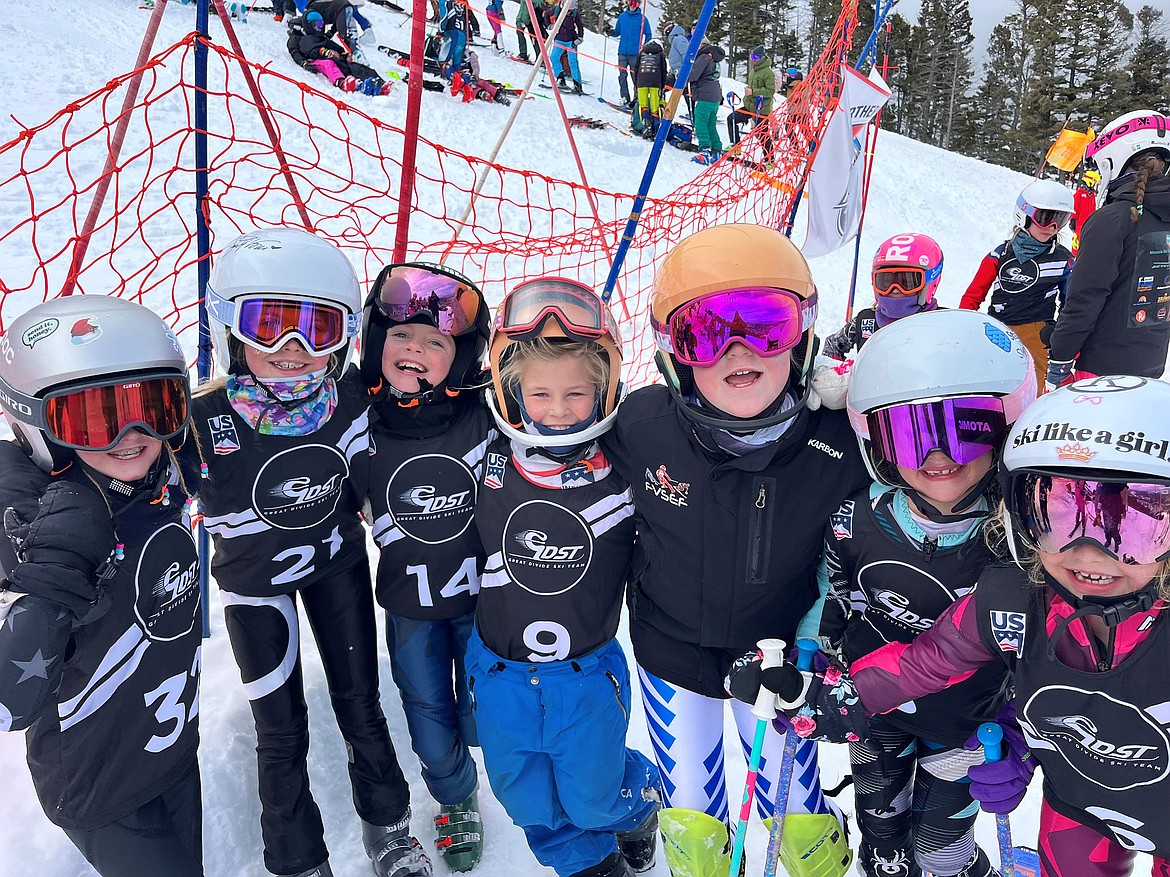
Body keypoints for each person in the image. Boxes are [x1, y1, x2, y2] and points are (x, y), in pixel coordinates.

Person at [731, 374, 1170, 875]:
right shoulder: (1011, 599)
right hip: (1079, 810)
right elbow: (921, 665)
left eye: (1139, 523)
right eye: (1056, 512)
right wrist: (810, 697)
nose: (1088, 553)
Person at [602, 225, 870, 877]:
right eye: (705, 333)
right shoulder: (642, 426)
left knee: (798, 821)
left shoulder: (841, 442)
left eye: (767, 326)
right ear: (674, 353)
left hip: (781, 660)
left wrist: (817, 649)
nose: (738, 349)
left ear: (803, 336)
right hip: (674, 651)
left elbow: (872, 543)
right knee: (693, 820)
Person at [197, 229, 428, 877]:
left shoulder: (350, 398)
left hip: (336, 566)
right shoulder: (203, 420)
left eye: (316, 329)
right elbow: (128, 478)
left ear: (344, 336)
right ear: (230, 327)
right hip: (254, 588)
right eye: (268, 326)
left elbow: (426, 424)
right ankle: (297, 859)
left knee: (361, 702)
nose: (292, 348)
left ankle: (388, 825)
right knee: (280, 729)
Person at [792, 310, 1036, 877]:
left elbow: (1036, 647)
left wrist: (1018, 728)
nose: (937, 458)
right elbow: (833, 598)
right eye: (909, 435)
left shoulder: (1021, 541)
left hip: (967, 725)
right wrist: (808, 665)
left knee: (941, 851)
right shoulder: (857, 520)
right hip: (874, 710)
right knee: (883, 837)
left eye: (966, 430)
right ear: (878, 443)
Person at [0, 296, 204, 877]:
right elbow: (10, 696)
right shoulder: (27, 526)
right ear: (34, 421)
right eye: (93, 418)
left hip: (169, 741)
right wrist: (44, 576)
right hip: (100, 782)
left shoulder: (159, 472)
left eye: (154, 407)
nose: (132, 435)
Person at [469, 278, 661, 877]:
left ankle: (636, 804)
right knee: (523, 796)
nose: (557, 409)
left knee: (593, 794)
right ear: (510, 391)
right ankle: (584, 862)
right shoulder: (487, 452)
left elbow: (694, 438)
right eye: (540, 393)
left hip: (585, 676)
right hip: (499, 674)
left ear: (604, 390)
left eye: (576, 393)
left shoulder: (625, 462)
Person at [359, 263, 494, 873]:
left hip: (484, 603)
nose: (414, 349)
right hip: (410, 607)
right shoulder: (357, 420)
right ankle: (454, 793)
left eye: (435, 341)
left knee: (482, 715)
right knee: (429, 721)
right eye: (400, 335)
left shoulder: (485, 413)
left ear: (461, 358)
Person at [1046, 111, 1170, 392]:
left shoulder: (1112, 218)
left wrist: (1060, 356)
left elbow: (1085, 298)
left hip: (1100, 372)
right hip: (1151, 365)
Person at [959, 178, 1073, 389]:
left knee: (1034, 385)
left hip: (1037, 333)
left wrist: (1061, 334)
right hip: (998, 329)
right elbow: (974, 294)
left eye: (1061, 219)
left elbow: (1071, 303)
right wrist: (963, 324)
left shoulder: (1063, 260)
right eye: (1046, 218)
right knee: (994, 381)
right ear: (1024, 214)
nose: (1052, 227)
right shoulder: (1000, 254)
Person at [821, 232, 944, 360]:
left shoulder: (945, 323)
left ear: (930, 282)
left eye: (907, 282)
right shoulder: (865, 320)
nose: (895, 289)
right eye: (886, 281)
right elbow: (832, 345)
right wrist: (832, 370)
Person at [287, 11, 392, 94]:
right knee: (329, 64)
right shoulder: (299, 39)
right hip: (315, 60)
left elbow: (336, 48)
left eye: (321, 24)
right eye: (316, 25)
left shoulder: (321, 38)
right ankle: (342, 82)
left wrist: (345, 55)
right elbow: (297, 51)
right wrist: (304, 63)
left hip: (332, 57)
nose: (319, 28)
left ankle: (377, 83)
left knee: (354, 66)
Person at [727, 44, 774, 152]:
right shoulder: (754, 70)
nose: (753, 60)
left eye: (756, 57)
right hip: (750, 106)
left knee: (761, 134)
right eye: (752, 57)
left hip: (761, 108)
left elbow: (770, 92)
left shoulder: (768, 73)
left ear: (762, 58)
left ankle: (769, 158)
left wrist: (753, 92)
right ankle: (736, 146)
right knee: (731, 119)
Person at [687, 38, 726, 163]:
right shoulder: (713, 58)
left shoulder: (704, 57)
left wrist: (681, 76)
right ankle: (716, 149)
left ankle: (704, 150)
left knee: (701, 123)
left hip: (704, 94)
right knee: (710, 124)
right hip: (714, 95)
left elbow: (694, 74)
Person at [612, 0, 651, 108]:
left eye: (635, 4)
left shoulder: (642, 19)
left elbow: (648, 34)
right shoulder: (622, 17)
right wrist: (610, 32)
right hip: (622, 52)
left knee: (636, 77)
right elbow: (617, 32)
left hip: (635, 54)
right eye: (631, 3)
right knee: (622, 76)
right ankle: (625, 97)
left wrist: (644, 47)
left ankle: (638, 99)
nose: (632, 6)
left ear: (638, 5)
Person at [545, 0, 585, 94]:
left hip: (572, 41)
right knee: (554, 58)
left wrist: (580, 38)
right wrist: (549, 26)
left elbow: (580, 26)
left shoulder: (575, 13)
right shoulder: (557, 10)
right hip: (559, 39)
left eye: (570, 10)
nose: (568, 12)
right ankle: (560, 78)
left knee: (573, 62)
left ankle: (577, 84)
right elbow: (546, 14)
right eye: (567, 10)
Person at [633, 38, 666, 140]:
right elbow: (663, 70)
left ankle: (645, 125)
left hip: (641, 81)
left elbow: (636, 68)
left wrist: (636, 83)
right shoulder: (660, 53)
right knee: (654, 106)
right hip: (655, 83)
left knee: (643, 106)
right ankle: (655, 129)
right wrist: (662, 86)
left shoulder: (642, 52)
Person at [438, 0, 474, 80]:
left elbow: (444, 17)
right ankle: (465, 82)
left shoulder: (444, 2)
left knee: (443, 61)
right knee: (457, 65)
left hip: (452, 34)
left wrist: (440, 32)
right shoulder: (458, 3)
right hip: (462, 35)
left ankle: (456, 80)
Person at [1071, 169, 1099, 255]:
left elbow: (1093, 209)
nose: (1095, 185)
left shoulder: (1092, 195)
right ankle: (1074, 258)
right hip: (1079, 225)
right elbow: (1074, 208)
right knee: (1077, 244)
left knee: (1087, 244)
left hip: (1089, 224)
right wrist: (1073, 219)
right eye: (1095, 182)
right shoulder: (1080, 193)